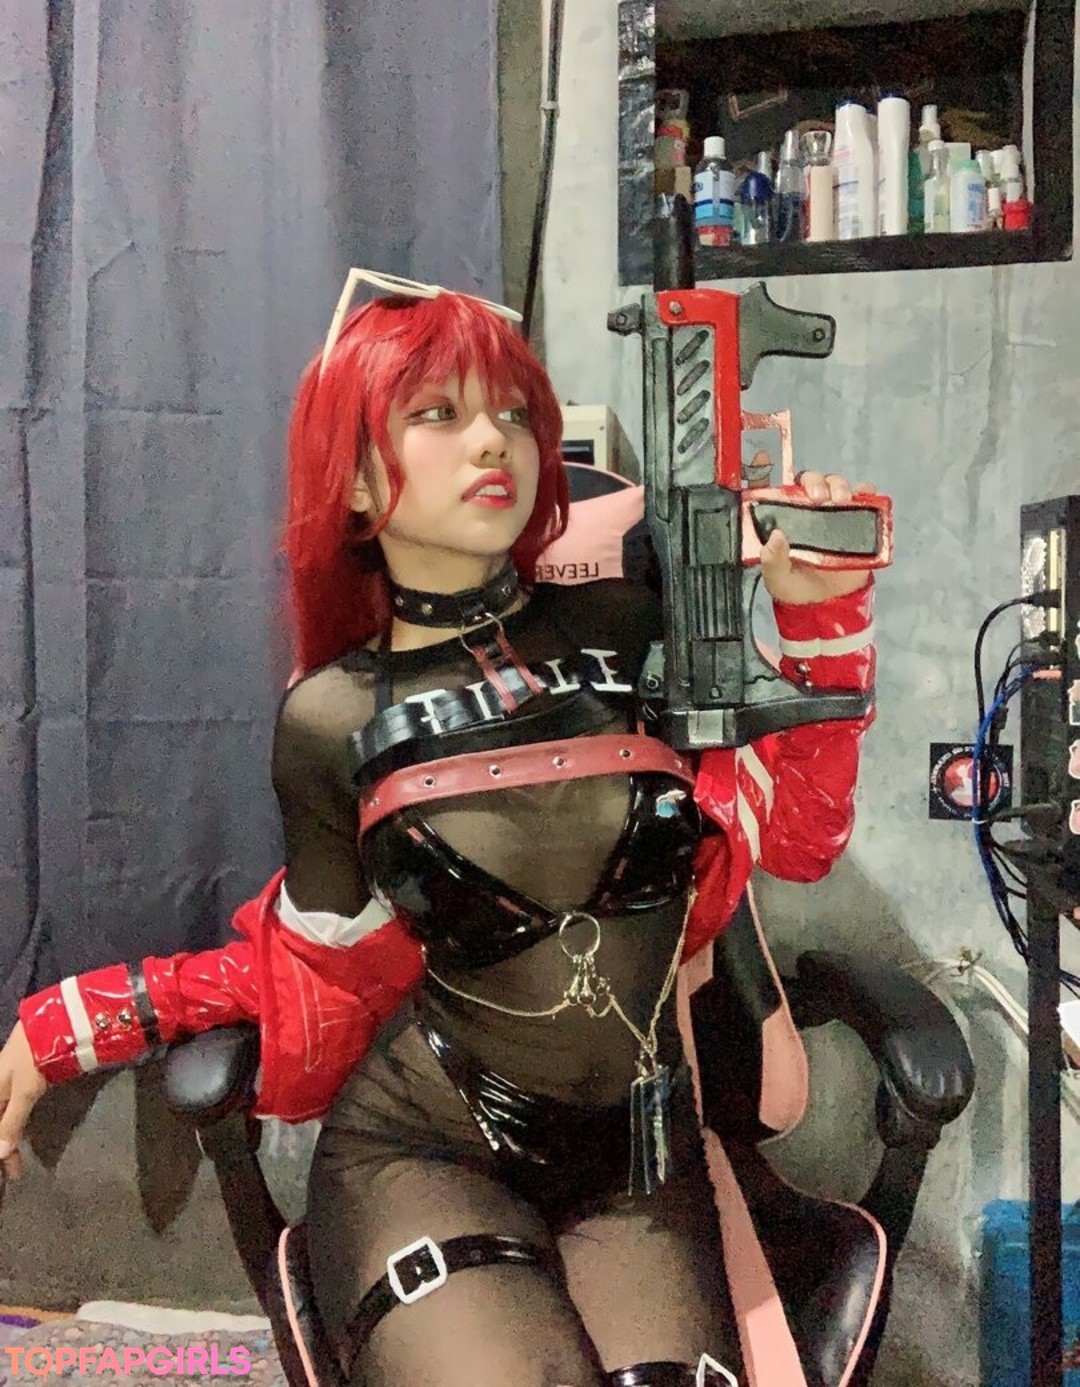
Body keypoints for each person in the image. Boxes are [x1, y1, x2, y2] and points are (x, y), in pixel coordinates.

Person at [0, 274, 878, 1387]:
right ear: (360, 478)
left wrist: (820, 613)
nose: (492, 439)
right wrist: (82, 1019)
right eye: (438, 413)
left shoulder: (641, 629)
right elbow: (316, 973)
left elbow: (798, 840)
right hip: (423, 1149)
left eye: (512, 411)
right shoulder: (330, 717)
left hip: (637, 1165)